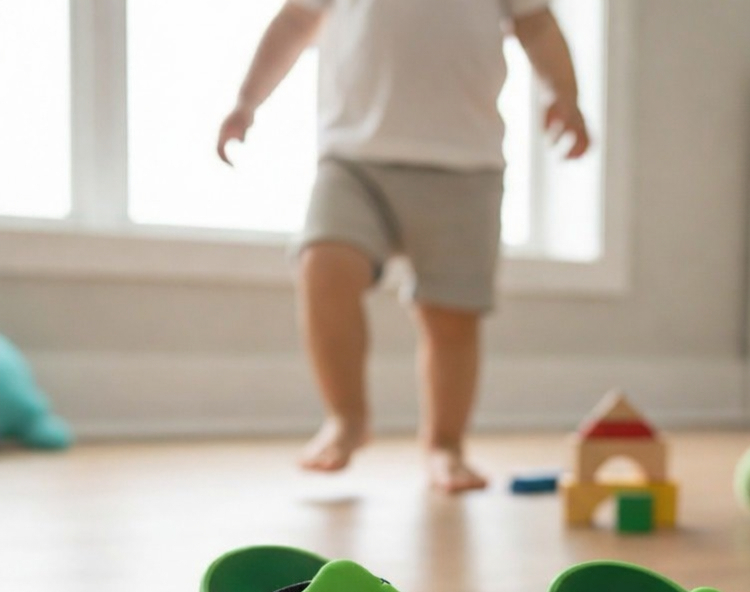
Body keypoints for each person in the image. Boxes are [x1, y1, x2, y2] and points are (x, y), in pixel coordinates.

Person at [217, 0, 589, 491]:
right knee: (323, 265)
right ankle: (346, 418)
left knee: (451, 316)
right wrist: (247, 101)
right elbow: (295, 20)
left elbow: (537, 24)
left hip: (464, 163)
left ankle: (445, 443)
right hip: (354, 157)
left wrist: (564, 94)